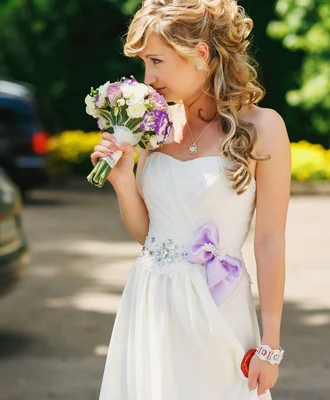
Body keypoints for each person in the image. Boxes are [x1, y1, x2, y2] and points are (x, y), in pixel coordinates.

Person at [90, 1, 290, 398]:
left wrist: (270, 345)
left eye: (157, 61)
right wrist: (123, 181)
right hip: (149, 301)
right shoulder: (155, 128)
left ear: (200, 55)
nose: (149, 78)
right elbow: (149, 236)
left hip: (218, 303)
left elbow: (270, 241)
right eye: (145, 63)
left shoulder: (264, 127)